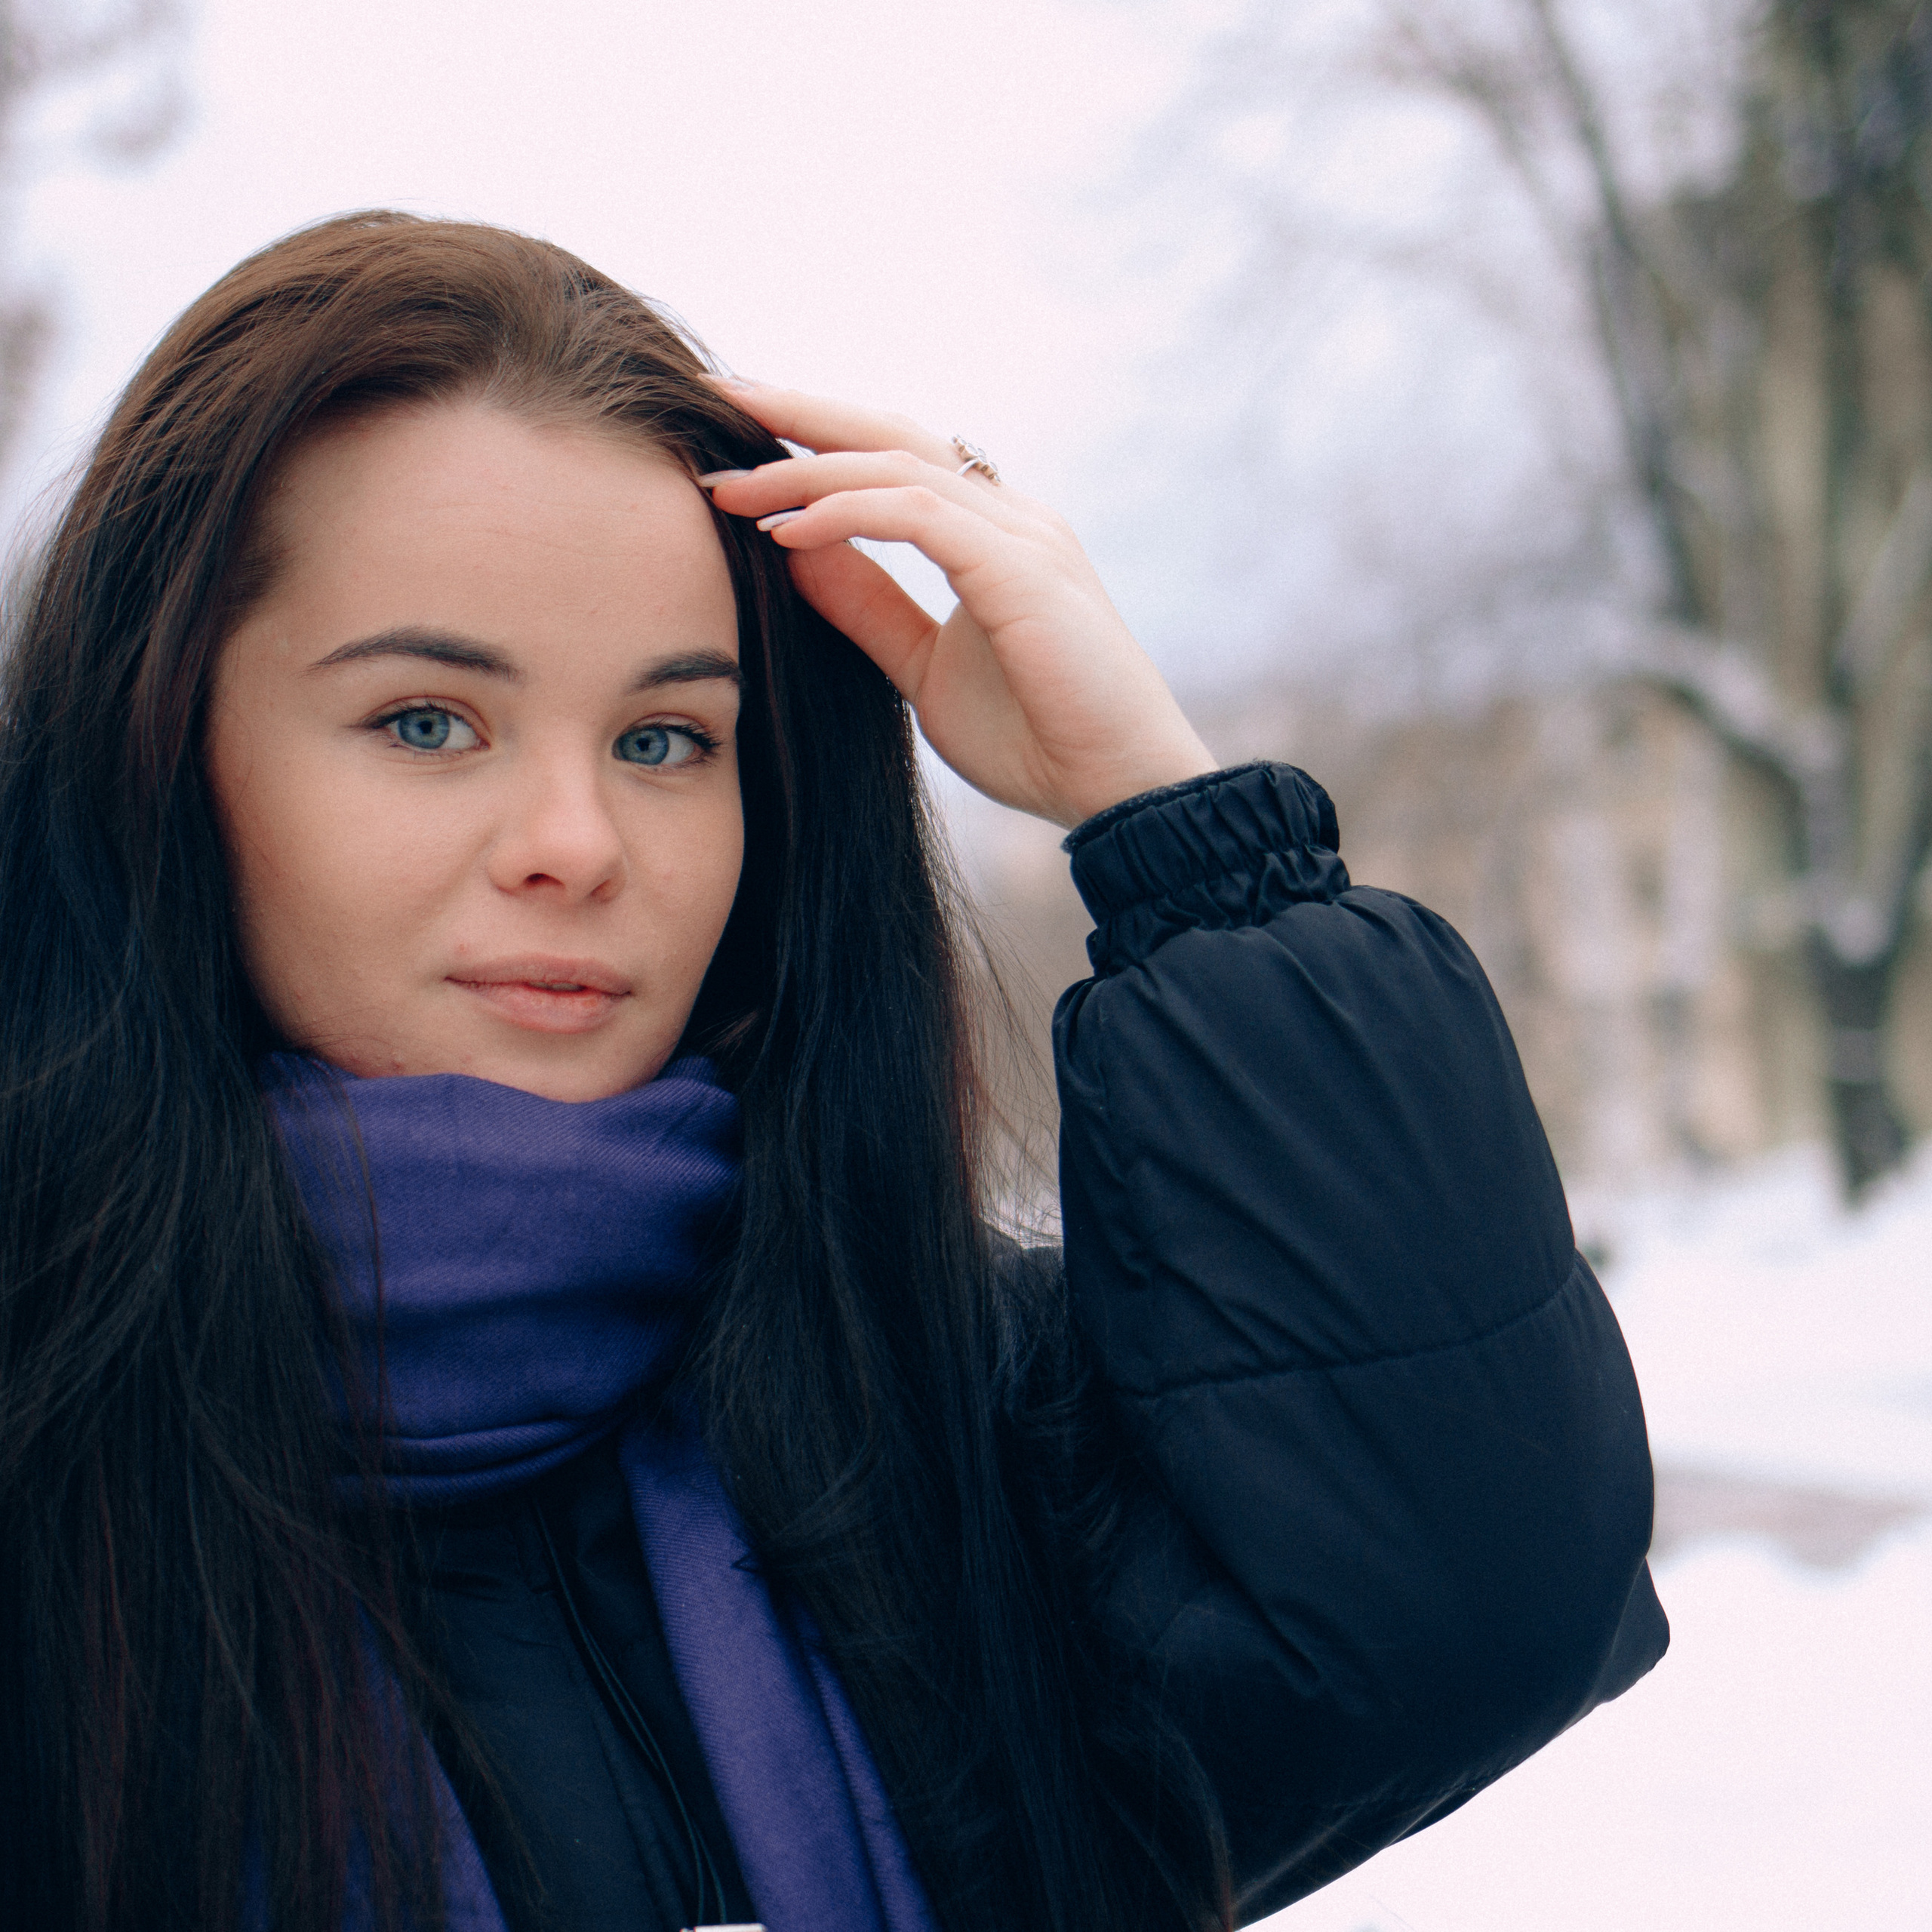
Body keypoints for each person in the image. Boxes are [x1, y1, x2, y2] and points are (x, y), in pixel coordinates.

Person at [0, 212, 1664, 1932]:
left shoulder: (932, 1415)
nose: (576, 843)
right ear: (158, 751)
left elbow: (1470, 1598)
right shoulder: (47, 1450)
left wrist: (1166, 824)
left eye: (666, 739)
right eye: (429, 720)